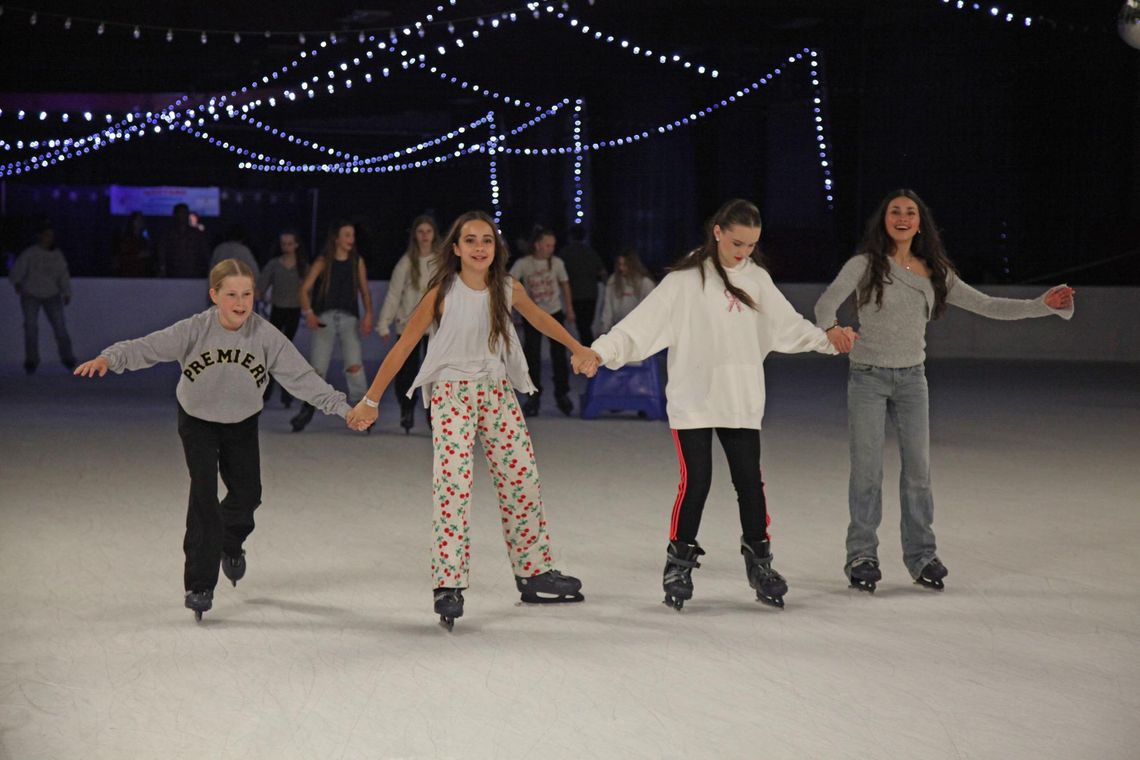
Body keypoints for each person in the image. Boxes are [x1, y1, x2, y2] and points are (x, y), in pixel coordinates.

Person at [583, 199, 856, 611]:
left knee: (750, 483)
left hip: (740, 400)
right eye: (736, 242)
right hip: (694, 401)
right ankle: (678, 564)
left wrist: (828, 341)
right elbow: (640, 326)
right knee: (696, 482)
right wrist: (601, 351)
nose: (743, 252)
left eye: (751, 245)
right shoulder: (684, 281)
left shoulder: (757, 280)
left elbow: (788, 326)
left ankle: (760, 562)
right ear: (717, 232)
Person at [814, 188, 1075, 594]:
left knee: (918, 473)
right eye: (895, 211)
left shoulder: (934, 271)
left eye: (910, 213)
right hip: (867, 377)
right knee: (867, 472)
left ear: (920, 223)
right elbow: (825, 304)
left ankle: (921, 556)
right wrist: (832, 330)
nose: (902, 218)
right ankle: (861, 556)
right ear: (884, 220)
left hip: (912, 380)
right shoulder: (864, 265)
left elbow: (987, 305)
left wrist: (1043, 304)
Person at [347, 210, 592, 630]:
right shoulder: (443, 290)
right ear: (456, 249)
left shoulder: (506, 287)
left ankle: (534, 572)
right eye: (471, 240)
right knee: (454, 485)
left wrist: (577, 346)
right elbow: (405, 345)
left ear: (495, 249)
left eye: (488, 241)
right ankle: (449, 583)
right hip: (451, 393)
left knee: (523, 480)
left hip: (497, 390)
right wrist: (370, 400)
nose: (480, 247)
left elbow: (539, 318)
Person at [73, 259, 355, 621]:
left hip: (241, 422)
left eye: (248, 294)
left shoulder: (264, 335)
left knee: (248, 494)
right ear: (214, 295)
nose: (241, 303)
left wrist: (342, 407)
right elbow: (148, 347)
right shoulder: (194, 329)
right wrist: (109, 359)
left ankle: (230, 543)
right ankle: (199, 585)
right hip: (198, 423)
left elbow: (301, 377)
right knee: (204, 496)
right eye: (232, 294)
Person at [291, 220, 374, 432]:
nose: (351, 240)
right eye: (347, 235)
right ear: (336, 238)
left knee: (354, 364)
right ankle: (307, 409)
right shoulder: (323, 261)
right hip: (324, 318)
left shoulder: (357, 261)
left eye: (352, 236)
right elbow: (304, 289)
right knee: (317, 369)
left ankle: (361, 411)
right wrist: (309, 312)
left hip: (349, 318)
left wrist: (368, 315)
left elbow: (364, 291)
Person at [375, 215, 441, 432]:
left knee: (434, 373)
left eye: (428, 231)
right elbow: (394, 295)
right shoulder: (405, 262)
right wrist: (383, 323)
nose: (424, 236)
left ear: (434, 235)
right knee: (407, 372)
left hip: (434, 329)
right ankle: (407, 408)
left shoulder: (440, 262)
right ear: (415, 235)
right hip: (409, 325)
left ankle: (434, 416)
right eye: (420, 231)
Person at [509, 226, 575, 416]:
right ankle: (533, 395)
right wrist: (512, 310)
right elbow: (510, 282)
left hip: (554, 312)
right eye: (547, 245)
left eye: (553, 245)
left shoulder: (557, 263)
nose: (551, 249)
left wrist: (569, 308)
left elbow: (565, 285)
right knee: (532, 355)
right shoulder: (524, 263)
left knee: (559, 355)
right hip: (532, 315)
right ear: (538, 245)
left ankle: (562, 393)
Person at [9, 223, 76, 374]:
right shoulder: (31, 253)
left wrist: (66, 292)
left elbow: (63, 275)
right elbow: (18, 268)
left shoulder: (57, 255)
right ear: (40, 236)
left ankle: (68, 358)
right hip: (30, 294)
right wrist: (17, 282)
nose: (49, 238)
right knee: (31, 328)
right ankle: (31, 360)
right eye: (47, 235)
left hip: (52, 295)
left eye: (51, 236)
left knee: (60, 328)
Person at [256, 229, 308, 407]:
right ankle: (267, 391)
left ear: (296, 245)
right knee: (274, 352)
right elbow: (262, 285)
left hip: (294, 311)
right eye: (283, 244)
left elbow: (310, 288)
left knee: (285, 353)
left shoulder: (302, 266)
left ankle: (286, 393)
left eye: (289, 244)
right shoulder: (274, 264)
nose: (286, 247)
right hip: (278, 310)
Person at [559, 225, 607, 346]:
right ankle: (589, 350)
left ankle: (589, 351)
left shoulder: (565, 253)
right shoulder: (591, 252)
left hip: (575, 293)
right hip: (591, 293)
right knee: (586, 325)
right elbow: (602, 272)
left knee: (582, 327)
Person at [599, 249, 656, 332]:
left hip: (637, 330)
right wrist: (604, 330)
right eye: (619, 264)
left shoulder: (645, 283)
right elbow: (608, 308)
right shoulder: (613, 281)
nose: (621, 268)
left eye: (625, 265)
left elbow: (651, 310)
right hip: (617, 328)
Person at [156, 203, 210, 278]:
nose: (183, 215)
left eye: (185, 213)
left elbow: (205, 253)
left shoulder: (197, 234)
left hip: (194, 274)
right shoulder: (168, 235)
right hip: (173, 274)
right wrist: (162, 271)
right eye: (181, 213)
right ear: (175, 215)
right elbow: (162, 254)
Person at [114, 211, 154, 277]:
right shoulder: (127, 239)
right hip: (129, 276)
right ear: (134, 222)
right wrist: (138, 255)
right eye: (139, 220)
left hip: (142, 276)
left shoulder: (144, 240)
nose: (142, 222)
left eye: (142, 220)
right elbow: (123, 258)